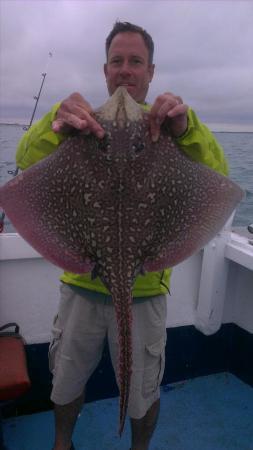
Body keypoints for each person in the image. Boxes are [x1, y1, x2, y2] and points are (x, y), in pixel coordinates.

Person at [16, 21, 228, 450]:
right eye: (118, 61)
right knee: (66, 379)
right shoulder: (78, 124)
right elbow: (24, 161)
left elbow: (219, 180)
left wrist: (187, 129)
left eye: (136, 62)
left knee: (141, 390)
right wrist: (54, 121)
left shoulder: (177, 130)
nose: (126, 70)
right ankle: (63, 443)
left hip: (146, 290)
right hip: (80, 283)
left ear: (151, 72)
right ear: (105, 71)